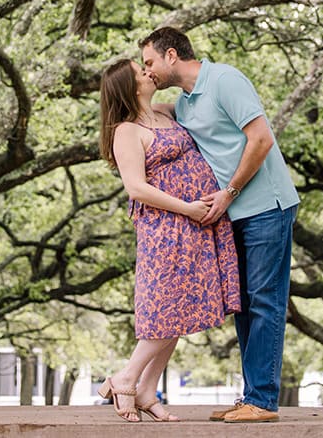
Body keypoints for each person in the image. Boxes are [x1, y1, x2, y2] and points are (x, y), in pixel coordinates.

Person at [140, 27, 299, 424]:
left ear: (171, 55)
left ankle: (263, 401)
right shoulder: (184, 103)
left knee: (264, 300)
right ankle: (252, 396)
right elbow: (156, 114)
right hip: (234, 216)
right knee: (244, 304)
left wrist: (228, 192)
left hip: (266, 206)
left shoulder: (225, 80)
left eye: (149, 62)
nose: (148, 70)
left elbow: (261, 140)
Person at [97, 58, 241, 423]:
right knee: (166, 307)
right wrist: (187, 208)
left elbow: (201, 107)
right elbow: (136, 188)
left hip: (195, 226)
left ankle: (147, 389)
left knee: (181, 309)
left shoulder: (164, 112)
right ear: (129, 87)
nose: (148, 72)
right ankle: (126, 378)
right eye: (140, 71)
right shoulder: (126, 131)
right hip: (166, 228)